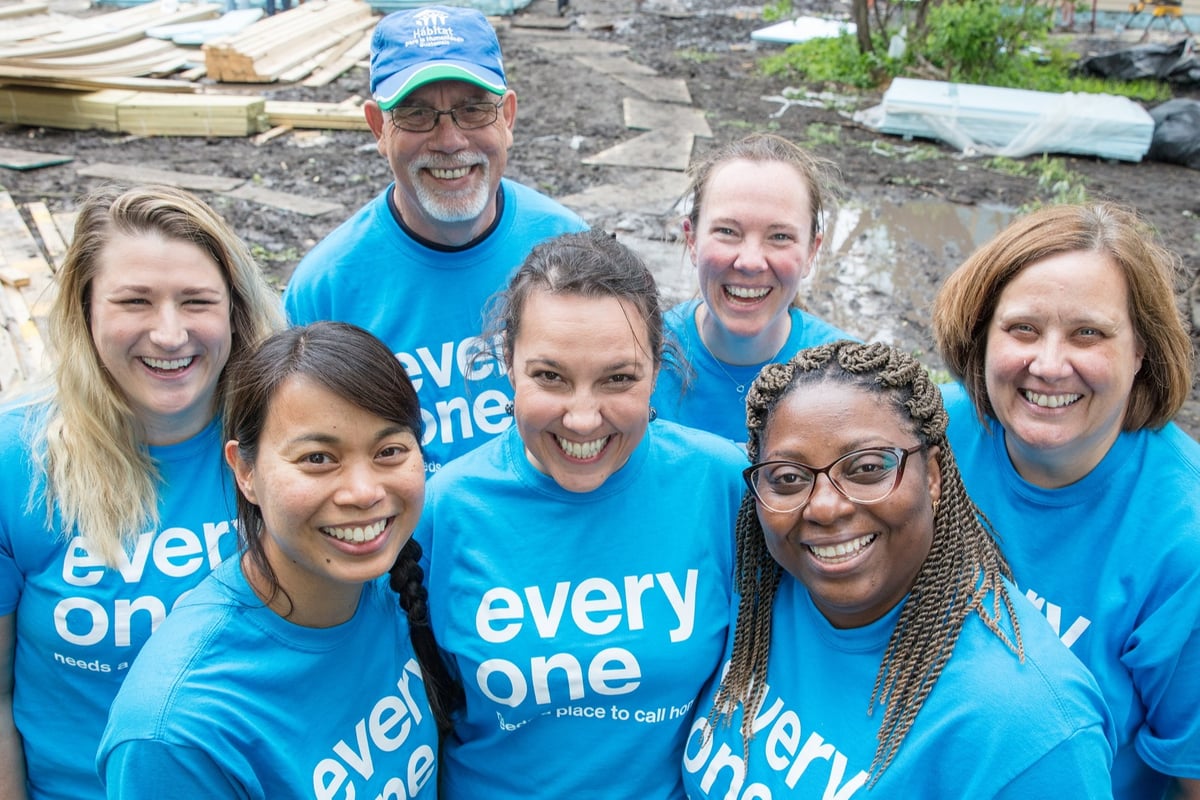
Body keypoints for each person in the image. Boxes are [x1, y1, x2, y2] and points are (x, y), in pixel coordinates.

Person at [683, 340, 1116, 797]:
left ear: (932, 476)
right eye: (789, 478)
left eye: (867, 468)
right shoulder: (760, 585)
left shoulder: (1028, 728)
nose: (825, 508)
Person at [418, 230, 746, 798]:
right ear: (508, 367)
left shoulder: (720, 483)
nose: (583, 420)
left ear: (657, 371)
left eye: (619, 379)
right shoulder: (446, 507)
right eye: (550, 377)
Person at [0, 184, 284, 800]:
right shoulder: (17, 461)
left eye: (196, 301)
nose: (169, 333)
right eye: (135, 301)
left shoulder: (289, 441)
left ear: (234, 310)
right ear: (85, 310)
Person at [97, 321, 460, 798]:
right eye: (317, 459)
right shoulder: (176, 733)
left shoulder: (387, 582)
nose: (364, 492)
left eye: (389, 450)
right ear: (244, 470)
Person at [932, 202, 1200, 799]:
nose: (1049, 365)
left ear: (1141, 353)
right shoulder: (928, 437)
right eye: (1022, 328)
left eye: (1089, 333)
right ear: (981, 339)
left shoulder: (1184, 541)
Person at [284, 5, 587, 473]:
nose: (449, 140)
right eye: (417, 114)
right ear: (378, 127)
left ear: (507, 116)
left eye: (472, 110)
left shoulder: (570, 247)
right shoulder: (328, 289)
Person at [651, 133, 854, 446]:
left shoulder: (853, 376)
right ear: (692, 240)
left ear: (812, 252)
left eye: (780, 237)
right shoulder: (643, 359)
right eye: (728, 231)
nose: (750, 262)